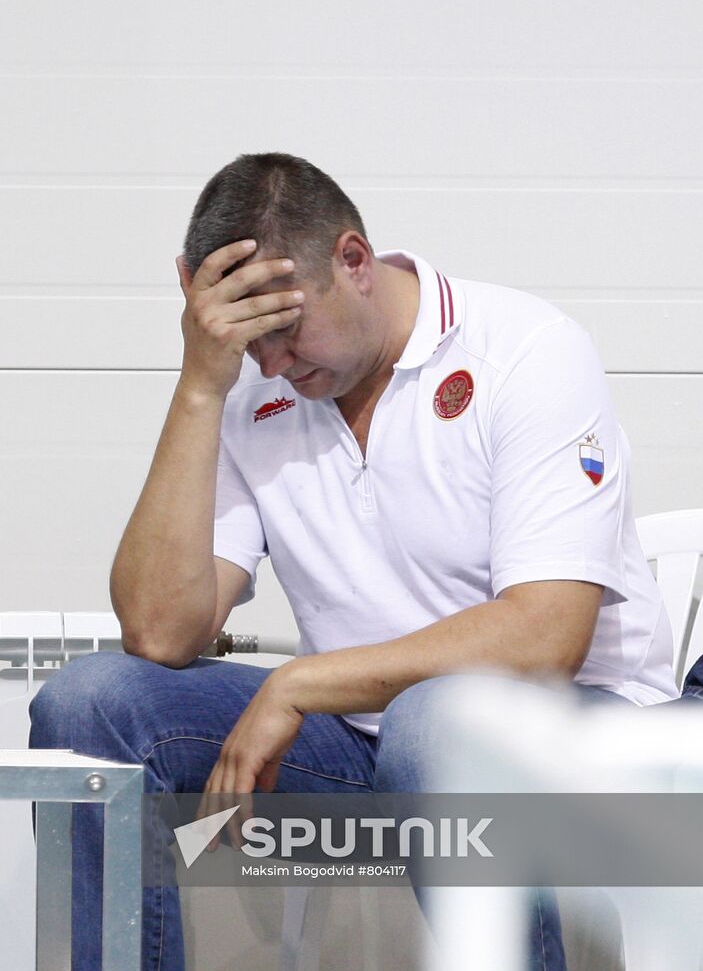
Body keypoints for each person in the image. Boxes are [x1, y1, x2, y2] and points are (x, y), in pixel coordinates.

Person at [28, 152, 678, 971]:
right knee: (90, 703)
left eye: (286, 332)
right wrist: (200, 382)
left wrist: (299, 682)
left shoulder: (525, 350)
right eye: (247, 345)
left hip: (575, 738)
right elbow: (160, 631)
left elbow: (545, 638)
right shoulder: (250, 393)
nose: (272, 366)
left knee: (438, 722)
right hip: (361, 744)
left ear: (353, 261)